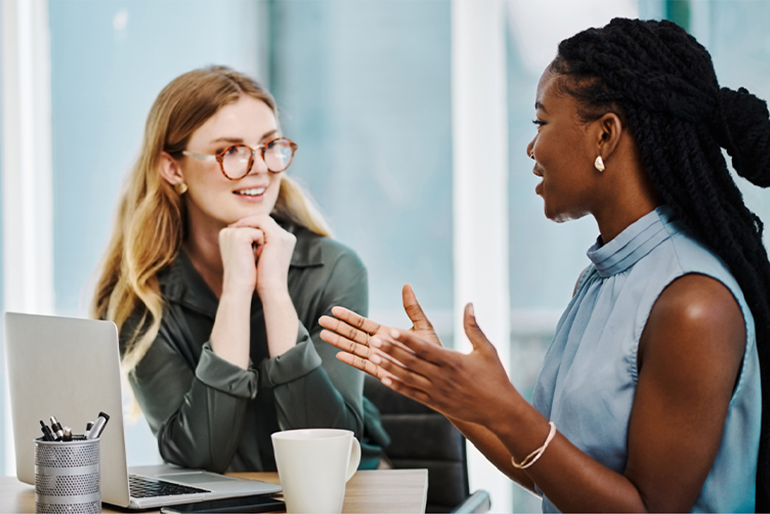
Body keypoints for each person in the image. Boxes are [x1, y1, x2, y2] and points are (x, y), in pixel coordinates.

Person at [319, 18, 769, 512]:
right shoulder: (606, 276)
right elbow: (549, 471)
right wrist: (445, 390)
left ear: (605, 135)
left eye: (541, 123)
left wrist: (506, 408)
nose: (532, 150)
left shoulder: (693, 305)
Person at [92, 65, 386, 473]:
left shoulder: (334, 269)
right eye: (230, 151)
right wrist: (235, 294)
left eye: (269, 146)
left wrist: (275, 296)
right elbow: (198, 459)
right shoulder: (138, 296)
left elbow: (328, 459)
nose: (260, 167)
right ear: (173, 169)